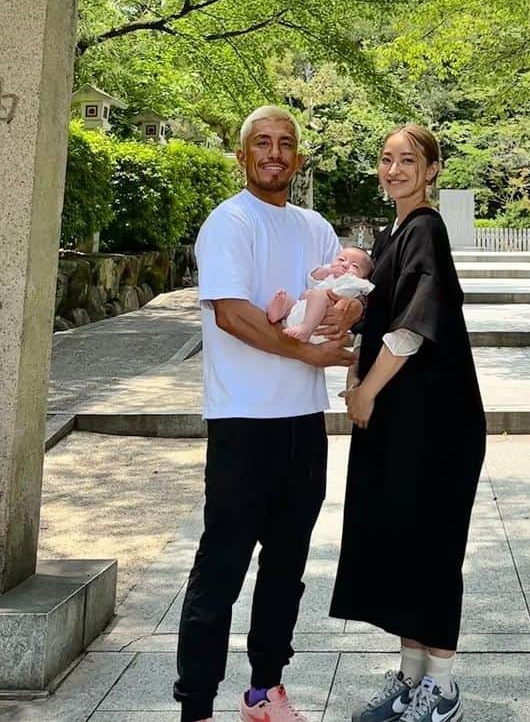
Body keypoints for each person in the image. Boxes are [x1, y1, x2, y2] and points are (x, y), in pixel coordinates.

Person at [173, 106, 362, 722]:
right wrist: (307, 348)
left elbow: (347, 297)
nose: (275, 153)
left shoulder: (315, 227)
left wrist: (342, 319)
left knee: (287, 566)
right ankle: (196, 704)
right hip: (243, 423)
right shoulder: (229, 222)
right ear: (243, 156)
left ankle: (265, 690)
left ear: (298, 157)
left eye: (286, 144)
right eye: (262, 143)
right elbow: (230, 313)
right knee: (221, 566)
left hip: (303, 423)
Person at [330, 125, 486, 722]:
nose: (394, 169)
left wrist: (365, 390)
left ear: (432, 170)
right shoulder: (392, 232)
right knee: (402, 543)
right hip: (405, 421)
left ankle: (441, 688)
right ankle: (411, 676)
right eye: (387, 159)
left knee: (432, 548)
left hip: (436, 425)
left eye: (408, 160)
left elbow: (415, 326)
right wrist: (355, 374)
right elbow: (378, 317)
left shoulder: (424, 228)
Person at [267, 247, 375, 343]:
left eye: (355, 266)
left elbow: (368, 290)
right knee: (289, 300)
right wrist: (328, 270)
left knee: (317, 294)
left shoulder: (353, 282)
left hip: (320, 323)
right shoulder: (329, 276)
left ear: (363, 277)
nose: (345, 265)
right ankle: (277, 314)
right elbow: (313, 277)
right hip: (300, 312)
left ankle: (306, 329)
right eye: (341, 259)